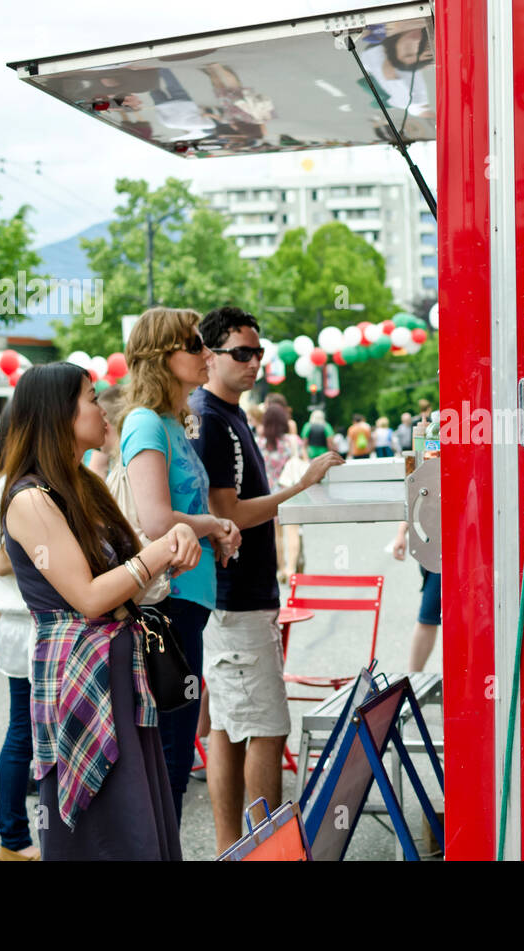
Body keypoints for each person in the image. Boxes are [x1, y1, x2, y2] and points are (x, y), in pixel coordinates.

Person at [2, 362, 199, 860]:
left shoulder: (83, 484)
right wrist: (162, 550)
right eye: (91, 398)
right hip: (80, 676)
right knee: (103, 828)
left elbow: (130, 572)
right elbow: (89, 597)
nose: (104, 407)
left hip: (117, 668)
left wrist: (171, 542)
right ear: (60, 414)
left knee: (131, 818)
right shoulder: (29, 498)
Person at [191, 306, 342, 854]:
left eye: (259, 352)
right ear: (209, 356)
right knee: (267, 726)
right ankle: (262, 850)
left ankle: (236, 848)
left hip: (229, 597)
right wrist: (297, 486)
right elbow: (226, 511)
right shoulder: (209, 416)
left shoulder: (225, 412)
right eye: (241, 353)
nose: (254, 361)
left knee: (229, 729)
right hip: (235, 599)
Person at [120, 307, 242, 824]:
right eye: (195, 346)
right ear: (162, 356)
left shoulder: (171, 421)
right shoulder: (146, 421)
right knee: (169, 753)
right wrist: (214, 526)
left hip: (188, 600)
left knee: (174, 751)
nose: (206, 354)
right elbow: (155, 520)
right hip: (167, 603)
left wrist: (215, 526)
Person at [0, 401, 39, 861]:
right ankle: (14, 840)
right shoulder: (17, 484)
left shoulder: (9, 480)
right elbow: (4, 559)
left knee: (24, 733)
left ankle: (15, 840)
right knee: (25, 734)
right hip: (27, 625)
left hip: (22, 626)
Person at [261, 403, 306, 583]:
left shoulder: (259, 442)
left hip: (269, 494)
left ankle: (280, 569)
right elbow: (303, 462)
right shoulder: (292, 441)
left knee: (277, 535)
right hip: (290, 491)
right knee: (292, 532)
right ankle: (291, 570)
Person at [392, 522, 441, 671]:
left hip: (473, 537)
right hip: (439, 543)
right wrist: (402, 532)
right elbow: (415, 500)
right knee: (427, 615)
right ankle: (414, 677)